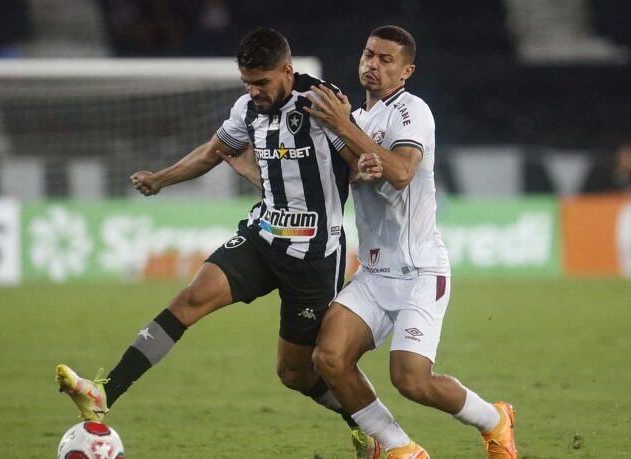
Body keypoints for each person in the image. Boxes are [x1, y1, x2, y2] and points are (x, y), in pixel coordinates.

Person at [55, 28, 382, 458]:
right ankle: (104, 392)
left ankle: (368, 426)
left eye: (261, 82)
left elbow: (357, 163)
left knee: (295, 373)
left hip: (313, 255)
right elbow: (214, 151)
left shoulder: (322, 102)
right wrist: (161, 179)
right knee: (190, 299)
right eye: (247, 82)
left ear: (287, 70)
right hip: (263, 236)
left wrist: (367, 165)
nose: (254, 91)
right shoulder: (248, 108)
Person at [304, 26, 517, 459]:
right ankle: (400, 448)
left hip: (420, 271)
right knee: (328, 358)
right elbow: (349, 172)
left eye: (385, 60)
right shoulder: (358, 120)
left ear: (406, 71)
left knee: (412, 380)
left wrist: (344, 127)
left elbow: (401, 173)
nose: (373, 65)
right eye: (368, 55)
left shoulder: (411, 112)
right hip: (374, 273)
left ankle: (495, 420)